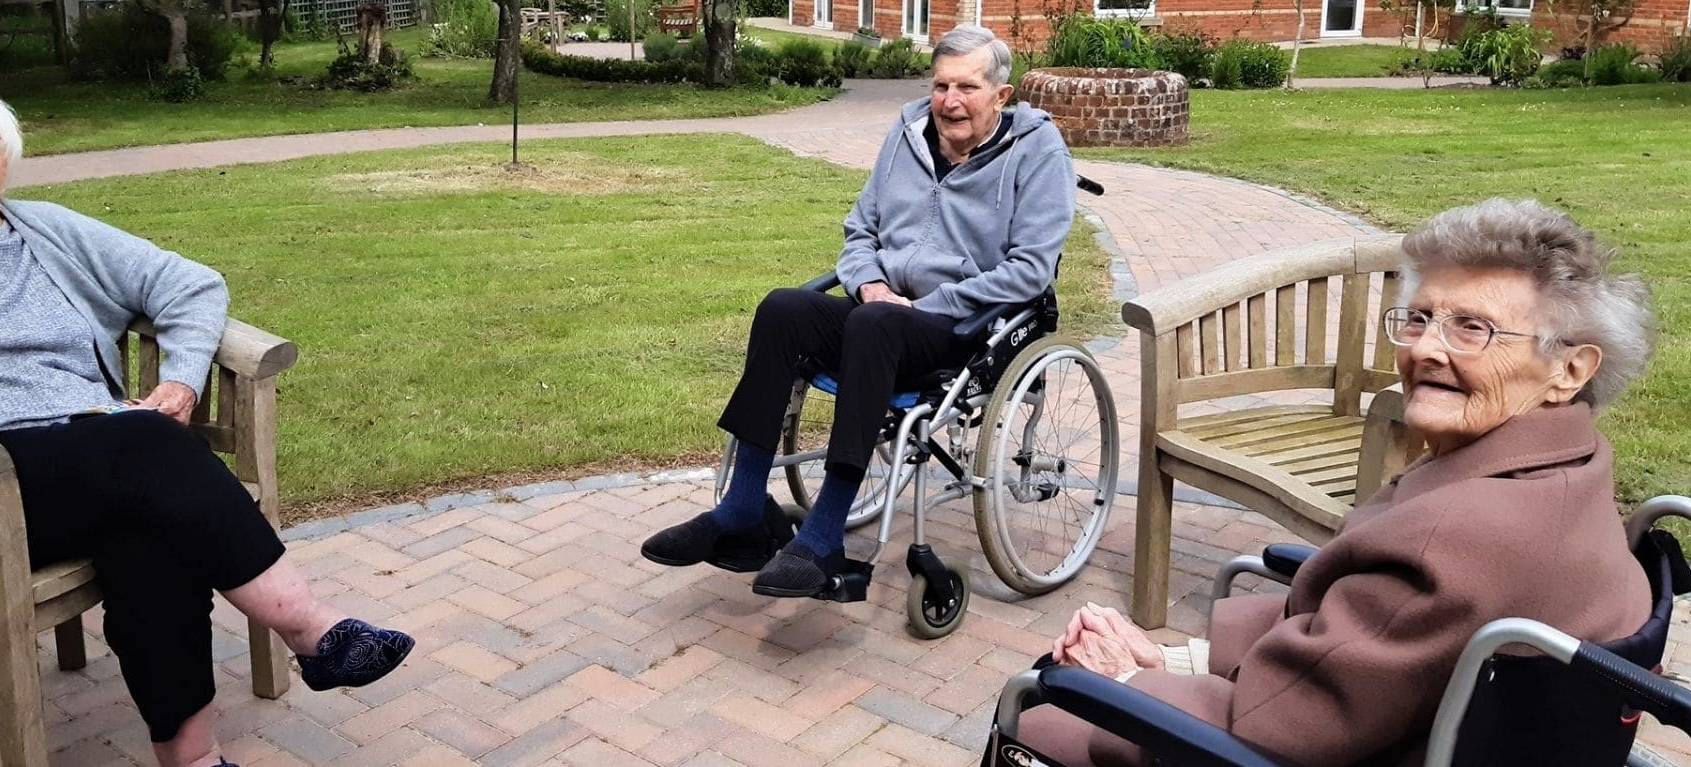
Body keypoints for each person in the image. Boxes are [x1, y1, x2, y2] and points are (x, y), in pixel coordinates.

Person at [0, 74, 413, 767]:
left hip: (102, 460)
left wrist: (180, 376)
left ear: (2, 150)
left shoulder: (49, 228)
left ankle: (193, 758)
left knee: (148, 533)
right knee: (143, 443)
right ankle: (312, 629)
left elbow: (190, 283)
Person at [1019, 198, 1658, 766]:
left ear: (1570, 368)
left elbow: (1279, 729)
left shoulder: (1453, 536)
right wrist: (1182, 661)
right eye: (1419, 318)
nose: (1426, 349)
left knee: (1040, 710)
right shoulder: (1566, 465)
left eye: (1473, 328)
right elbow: (1359, 637)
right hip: (1424, 723)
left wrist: (1128, 681)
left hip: (1311, 741)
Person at [639, 25, 1077, 596]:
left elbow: (1030, 270)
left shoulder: (1038, 151)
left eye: (967, 87)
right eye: (942, 84)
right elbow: (860, 228)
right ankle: (743, 508)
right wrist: (869, 283)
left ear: (1002, 94)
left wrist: (924, 303)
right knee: (783, 309)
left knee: (874, 323)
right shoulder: (908, 132)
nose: (950, 101)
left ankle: (824, 539)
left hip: (960, 325)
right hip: (880, 311)